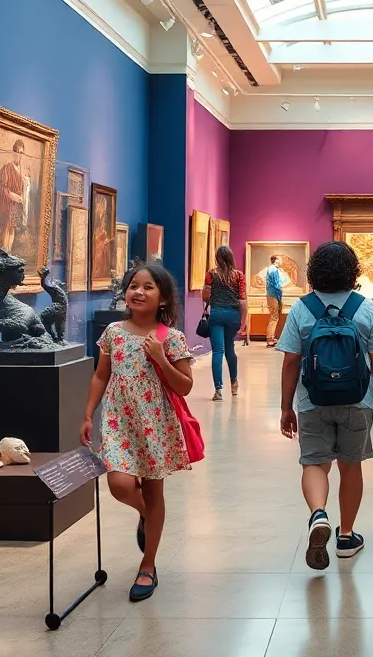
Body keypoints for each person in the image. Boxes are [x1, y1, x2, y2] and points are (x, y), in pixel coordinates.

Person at [277, 241, 373, 570]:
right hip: (358, 401)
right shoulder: (367, 308)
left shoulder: (302, 308)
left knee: (314, 463)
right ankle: (346, 536)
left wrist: (286, 407)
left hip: (312, 400)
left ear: (314, 270)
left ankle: (318, 513)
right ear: (352, 271)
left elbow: (290, 362)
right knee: (350, 465)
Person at [81, 263, 193, 602]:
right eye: (133, 285)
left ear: (162, 298)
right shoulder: (113, 332)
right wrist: (88, 414)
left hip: (154, 424)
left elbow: (185, 386)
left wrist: (161, 358)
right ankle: (147, 513)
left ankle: (148, 566)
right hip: (117, 421)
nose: (138, 291)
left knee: (155, 491)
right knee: (119, 484)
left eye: (148, 287)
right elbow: (101, 375)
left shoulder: (170, 338)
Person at [202, 246, 247, 401]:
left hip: (217, 315)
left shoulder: (211, 274)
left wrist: (211, 296)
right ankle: (234, 383)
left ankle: (218, 390)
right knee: (230, 349)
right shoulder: (239, 276)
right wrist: (244, 320)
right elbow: (242, 300)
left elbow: (205, 297)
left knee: (217, 352)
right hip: (233, 315)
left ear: (217, 258)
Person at [0, 139, 28, 254]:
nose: (20, 156)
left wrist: (20, 197)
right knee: (7, 228)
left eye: (22, 153)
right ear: (14, 153)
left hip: (16, 206)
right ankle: (4, 253)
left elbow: (22, 189)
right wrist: (11, 195)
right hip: (8, 204)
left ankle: (8, 253)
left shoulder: (21, 171)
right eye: (18, 152)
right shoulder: (7, 168)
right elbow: (1, 187)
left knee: (13, 228)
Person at [264, 254, 286, 347]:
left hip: (272, 295)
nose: (281, 261)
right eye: (279, 259)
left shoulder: (271, 269)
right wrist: (280, 294)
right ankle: (270, 339)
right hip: (274, 295)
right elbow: (276, 285)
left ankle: (271, 337)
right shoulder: (274, 270)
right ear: (276, 260)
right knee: (274, 317)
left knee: (274, 316)